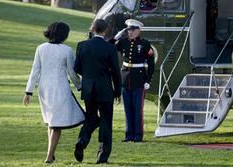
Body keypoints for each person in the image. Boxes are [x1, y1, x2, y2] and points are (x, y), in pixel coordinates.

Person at [23, 22, 85, 164]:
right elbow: (72, 73)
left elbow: (34, 72)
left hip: (44, 90)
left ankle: (50, 153)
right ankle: (49, 156)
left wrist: (29, 91)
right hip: (60, 89)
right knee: (55, 124)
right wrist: (80, 86)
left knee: (52, 122)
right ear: (64, 34)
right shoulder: (67, 50)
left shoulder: (41, 48)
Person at [73, 19, 121, 164]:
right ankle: (102, 155)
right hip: (105, 89)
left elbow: (77, 68)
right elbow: (115, 72)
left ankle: (82, 141)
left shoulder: (82, 45)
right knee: (106, 121)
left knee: (91, 118)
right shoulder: (110, 48)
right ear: (105, 30)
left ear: (92, 30)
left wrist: (88, 76)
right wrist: (118, 91)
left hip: (88, 89)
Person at [113, 19, 155, 142]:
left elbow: (151, 65)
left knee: (137, 109)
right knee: (128, 108)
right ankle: (128, 134)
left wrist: (148, 80)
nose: (129, 32)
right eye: (128, 30)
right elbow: (109, 45)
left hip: (139, 79)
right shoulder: (123, 42)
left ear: (138, 30)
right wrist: (117, 36)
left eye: (132, 30)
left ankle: (138, 135)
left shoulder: (145, 44)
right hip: (126, 78)